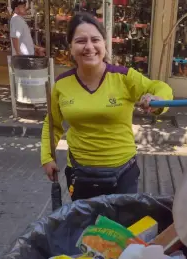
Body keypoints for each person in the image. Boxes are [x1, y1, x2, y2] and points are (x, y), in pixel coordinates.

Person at [40, 12, 173, 201]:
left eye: (95, 40)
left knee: (121, 230)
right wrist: (47, 158)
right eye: (81, 41)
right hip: (80, 175)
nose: (89, 47)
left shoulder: (124, 77)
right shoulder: (62, 84)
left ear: (104, 44)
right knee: (87, 228)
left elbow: (161, 87)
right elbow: (52, 123)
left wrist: (158, 98)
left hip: (122, 175)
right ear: (70, 47)